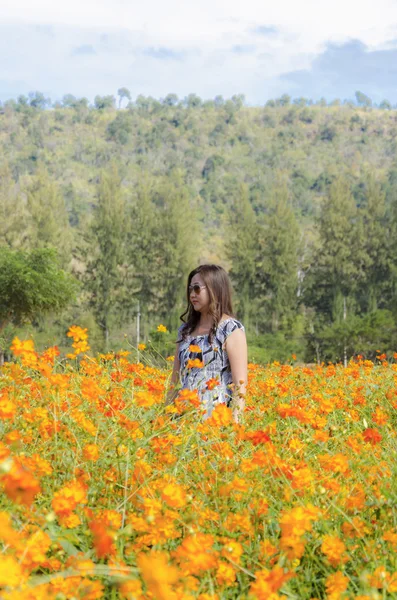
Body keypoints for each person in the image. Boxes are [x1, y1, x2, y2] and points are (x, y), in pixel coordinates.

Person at [166, 264, 248, 423]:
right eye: (190, 289)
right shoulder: (185, 331)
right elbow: (175, 381)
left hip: (215, 421)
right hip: (182, 420)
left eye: (197, 289)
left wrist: (235, 427)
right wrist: (165, 418)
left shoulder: (231, 329)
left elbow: (240, 385)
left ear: (215, 289)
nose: (192, 295)